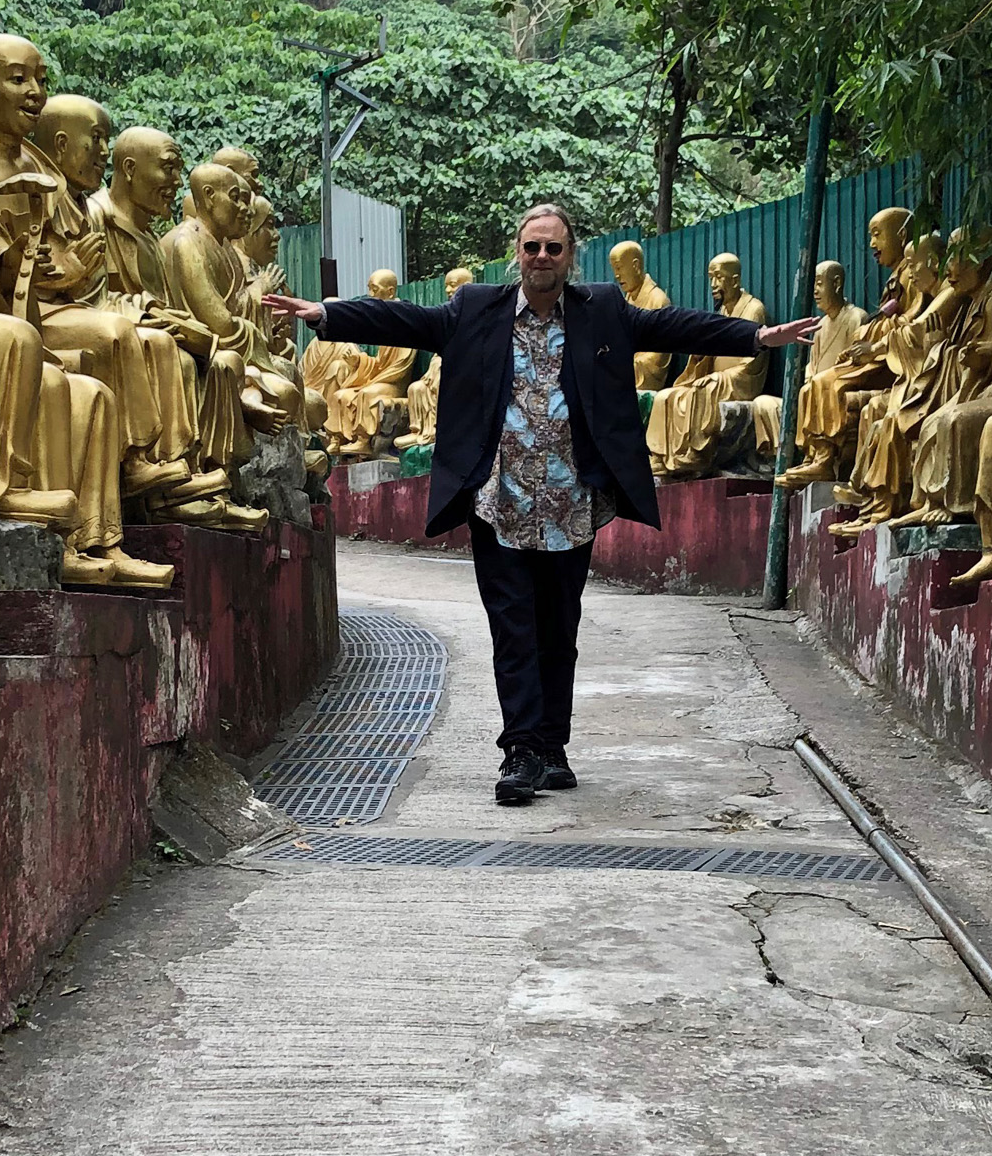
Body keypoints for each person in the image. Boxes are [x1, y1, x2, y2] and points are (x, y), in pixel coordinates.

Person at [266, 202, 812, 805]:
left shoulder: (600, 309)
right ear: (517, 253)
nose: (542, 258)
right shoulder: (478, 308)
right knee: (512, 627)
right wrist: (327, 313)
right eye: (533, 247)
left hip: (570, 505)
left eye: (554, 248)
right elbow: (408, 322)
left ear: (569, 256)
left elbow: (672, 328)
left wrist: (755, 335)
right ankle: (521, 750)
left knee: (559, 628)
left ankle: (553, 746)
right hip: (498, 501)